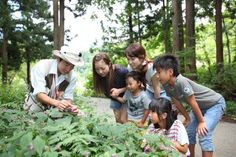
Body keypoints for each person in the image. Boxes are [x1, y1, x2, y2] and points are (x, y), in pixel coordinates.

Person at [153, 54, 226, 157]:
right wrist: (187, 118)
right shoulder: (166, 84)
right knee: (189, 131)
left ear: (170, 72)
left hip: (215, 104)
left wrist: (201, 122)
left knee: (203, 132)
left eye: (159, 72)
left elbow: (193, 102)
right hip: (200, 107)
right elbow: (176, 102)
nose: (157, 76)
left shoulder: (181, 81)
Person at [23, 45, 83, 114]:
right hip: (35, 105)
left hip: (56, 110)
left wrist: (70, 107)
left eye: (72, 66)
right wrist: (57, 103)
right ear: (59, 59)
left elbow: (68, 98)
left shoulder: (72, 77)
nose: (68, 69)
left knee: (79, 115)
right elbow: (39, 94)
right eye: (66, 64)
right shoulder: (42, 66)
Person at [92, 52, 128, 123]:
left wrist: (120, 91)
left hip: (128, 97)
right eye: (97, 69)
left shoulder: (122, 72)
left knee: (124, 120)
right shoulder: (100, 76)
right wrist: (116, 97)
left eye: (103, 68)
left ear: (109, 64)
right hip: (115, 99)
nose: (100, 72)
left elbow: (134, 86)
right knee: (118, 121)